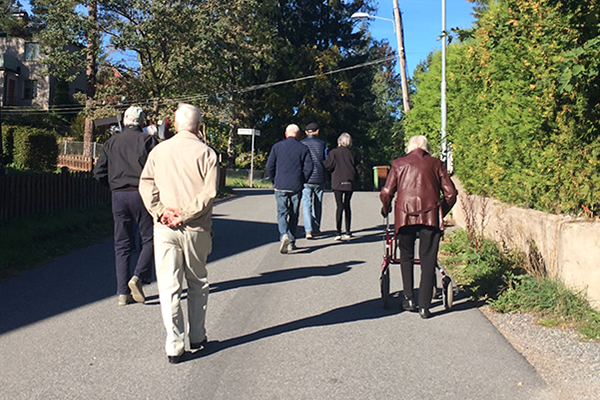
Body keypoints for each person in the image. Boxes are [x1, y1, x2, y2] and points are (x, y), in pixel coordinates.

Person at [139, 103, 218, 364]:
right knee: (197, 282)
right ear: (198, 126)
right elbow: (209, 193)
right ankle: (197, 334)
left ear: (174, 125)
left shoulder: (159, 151)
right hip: (196, 228)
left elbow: (146, 183)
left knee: (169, 287)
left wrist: (161, 211)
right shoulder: (207, 154)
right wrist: (184, 213)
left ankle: (174, 344)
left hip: (164, 227)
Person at [379, 135, 457, 319]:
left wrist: (386, 208)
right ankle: (424, 306)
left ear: (409, 147)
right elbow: (451, 193)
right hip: (430, 216)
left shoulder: (399, 164)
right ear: (426, 147)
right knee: (427, 258)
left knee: (405, 255)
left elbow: (386, 192)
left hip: (404, 215)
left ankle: (408, 298)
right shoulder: (436, 164)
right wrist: (441, 211)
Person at [94, 106, 158, 306]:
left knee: (121, 244)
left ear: (124, 121)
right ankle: (137, 276)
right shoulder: (148, 141)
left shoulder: (111, 142)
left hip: (119, 195)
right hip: (142, 194)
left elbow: (99, 172)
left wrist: (113, 186)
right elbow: (160, 169)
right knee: (150, 238)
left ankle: (122, 292)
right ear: (142, 122)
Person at [266, 124, 313, 253]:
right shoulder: (303, 149)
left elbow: (269, 166)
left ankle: (283, 235)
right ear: (298, 135)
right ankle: (291, 241)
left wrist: (274, 180)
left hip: (280, 185)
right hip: (295, 186)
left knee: (282, 213)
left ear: (286, 134)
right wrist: (303, 180)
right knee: (293, 214)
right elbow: (309, 168)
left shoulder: (277, 147)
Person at [323, 132, 359, 241]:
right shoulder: (353, 154)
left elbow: (328, 166)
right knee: (347, 205)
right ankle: (348, 231)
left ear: (339, 142)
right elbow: (358, 169)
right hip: (350, 182)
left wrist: (322, 162)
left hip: (337, 181)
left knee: (339, 206)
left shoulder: (334, 153)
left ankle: (338, 232)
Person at [301, 122, 327, 239]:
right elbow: (326, 160)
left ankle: (308, 230)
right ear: (317, 131)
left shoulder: (301, 144)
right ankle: (316, 228)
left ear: (306, 132)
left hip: (306, 178)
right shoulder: (322, 144)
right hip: (319, 177)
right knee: (318, 203)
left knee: (306, 204)